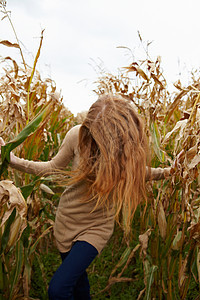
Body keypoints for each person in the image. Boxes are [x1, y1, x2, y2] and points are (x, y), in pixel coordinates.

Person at [0, 94, 170, 299]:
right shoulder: (77, 135)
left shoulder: (122, 146)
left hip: (97, 227)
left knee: (58, 289)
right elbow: (52, 168)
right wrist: (11, 158)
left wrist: (168, 172)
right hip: (66, 221)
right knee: (78, 285)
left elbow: (139, 171)